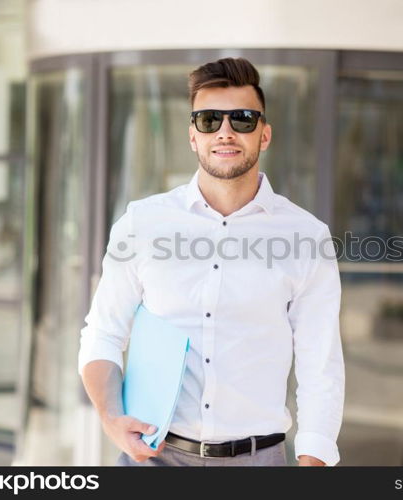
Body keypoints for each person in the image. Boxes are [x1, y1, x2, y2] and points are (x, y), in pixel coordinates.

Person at [78, 57, 344, 466]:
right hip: (153, 456)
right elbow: (104, 333)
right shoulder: (142, 223)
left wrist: (312, 464)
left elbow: (319, 364)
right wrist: (111, 418)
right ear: (192, 136)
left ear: (265, 134)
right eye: (208, 120)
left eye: (242, 119)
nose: (225, 132)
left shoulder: (306, 237)